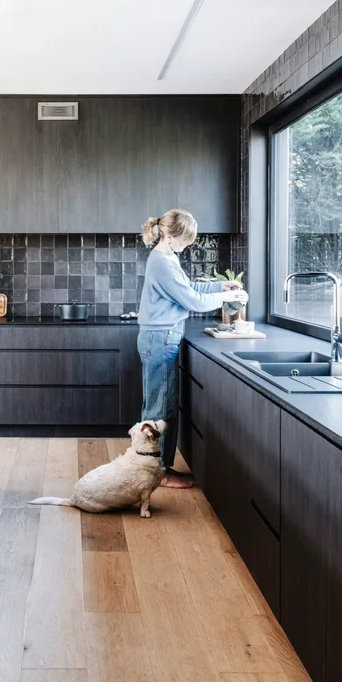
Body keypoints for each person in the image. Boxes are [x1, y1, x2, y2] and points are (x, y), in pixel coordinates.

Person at [137, 209, 247, 488]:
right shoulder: (162, 261)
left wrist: (223, 285)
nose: (188, 245)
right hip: (161, 338)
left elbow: (190, 287)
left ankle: (154, 467)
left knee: (159, 404)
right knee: (160, 407)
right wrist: (229, 296)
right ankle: (157, 471)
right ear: (170, 235)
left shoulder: (167, 257)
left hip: (162, 337)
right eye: (186, 240)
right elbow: (193, 300)